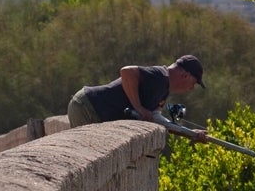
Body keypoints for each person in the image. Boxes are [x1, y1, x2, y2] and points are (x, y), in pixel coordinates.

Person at [68, 55, 207, 138]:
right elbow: (127, 72)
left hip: (91, 108)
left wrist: (191, 134)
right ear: (185, 75)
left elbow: (157, 120)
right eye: (193, 83)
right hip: (88, 106)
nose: (191, 89)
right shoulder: (159, 75)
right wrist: (138, 107)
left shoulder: (164, 89)